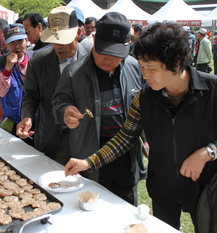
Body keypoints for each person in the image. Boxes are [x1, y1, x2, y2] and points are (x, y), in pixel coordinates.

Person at [63, 22, 217, 232]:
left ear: (177, 62)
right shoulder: (145, 97)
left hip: (206, 187)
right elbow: (125, 137)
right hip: (163, 187)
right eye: (142, 67)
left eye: (151, 68)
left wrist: (208, 152)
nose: (145, 75)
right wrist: (88, 162)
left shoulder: (212, 90)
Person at [52, 12, 145, 206]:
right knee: (91, 207)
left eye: (116, 56)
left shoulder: (134, 68)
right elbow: (58, 103)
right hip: (90, 152)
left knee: (125, 206)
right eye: (103, 52)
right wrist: (65, 111)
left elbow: (144, 109)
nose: (108, 60)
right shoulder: (73, 72)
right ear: (94, 39)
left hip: (125, 153)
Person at [16, 6, 92, 164]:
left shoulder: (92, 58)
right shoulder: (38, 61)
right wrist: (27, 117)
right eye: (54, 40)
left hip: (86, 136)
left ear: (78, 33)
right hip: (51, 135)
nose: (58, 46)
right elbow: (30, 95)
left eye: (63, 40)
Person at [0, 23, 33, 145]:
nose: (17, 46)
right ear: (6, 44)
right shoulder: (0, 63)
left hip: (33, 120)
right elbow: (0, 92)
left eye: (20, 41)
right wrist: (7, 70)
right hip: (11, 122)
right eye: (12, 43)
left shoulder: (35, 60)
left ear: (27, 40)